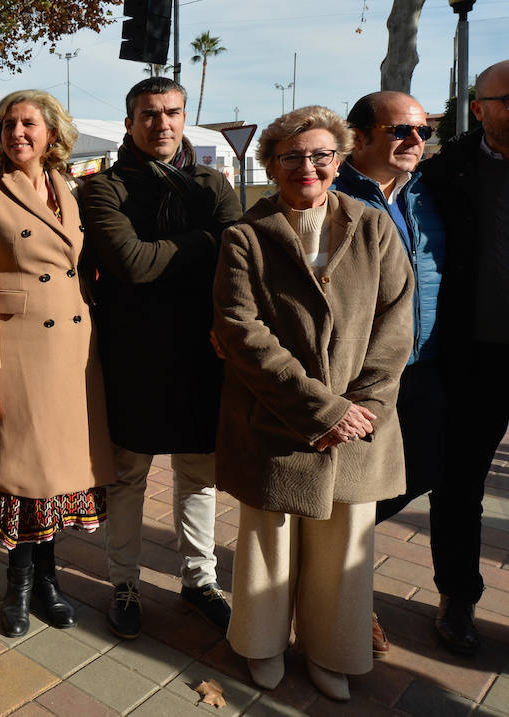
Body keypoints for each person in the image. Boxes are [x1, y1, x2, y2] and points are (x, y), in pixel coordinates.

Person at [214, 106, 412, 701]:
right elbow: (239, 330)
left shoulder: (374, 227)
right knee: (268, 544)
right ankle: (262, 644)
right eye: (292, 156)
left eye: (322, 155)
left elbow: (398, 323)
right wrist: (322, 410)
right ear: (271, 165)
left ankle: (332, 650)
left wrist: (361, 408)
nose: (308, 167)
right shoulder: (244, 236)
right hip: (273, 418)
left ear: (340, 159)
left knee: (344, 550)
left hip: (361, 425)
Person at [77, 76, 242, 639]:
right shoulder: (103, 189)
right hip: (133, 353)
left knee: (200, 474)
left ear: (184, 116)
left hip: (204, 350)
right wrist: (206, 241)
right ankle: (124, 580)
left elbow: (237, 254)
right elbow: (130, 262)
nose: (162, 124)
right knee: (128, 475)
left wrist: (207, 244)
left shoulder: (211, 183)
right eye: (148, 115)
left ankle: (200, 580)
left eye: (171, 112)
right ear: (129, 124)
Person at [0, 90, 115, 637]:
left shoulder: (70, 190)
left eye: (28, 123)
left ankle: (49, 581)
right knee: (26, 471)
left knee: (59, 473)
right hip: (20, 348)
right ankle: (20, 583)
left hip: (75, 349)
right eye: (7, 124)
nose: (16, 133)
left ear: (52, 132)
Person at [333, 91, 447, 657]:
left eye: (423, 132)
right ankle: (343, 600)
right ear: (361, 136)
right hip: (360, 376)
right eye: (401, 131)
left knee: (423, 469)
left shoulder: (429, 193)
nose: (416, 142)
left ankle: (332, 567)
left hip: (426, 367)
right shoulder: (330, 195)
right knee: (355, 490)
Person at [420, 59, 509, 656]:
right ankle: (459, 599)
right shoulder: (445, 172)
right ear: (479, 108)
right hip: (474, 358)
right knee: (459, 485)